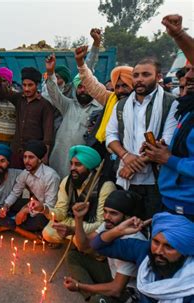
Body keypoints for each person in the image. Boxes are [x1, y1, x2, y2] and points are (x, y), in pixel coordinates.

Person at [106, 58, 178, 219]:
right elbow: (110, 135)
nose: (139, 79)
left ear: (158, 77)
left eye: (146, 74)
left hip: (156, 180)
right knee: (128, 227)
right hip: (127, 179)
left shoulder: (171, 103)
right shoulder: (122, 105)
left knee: (153, 224)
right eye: (136, 75)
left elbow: (167, 140)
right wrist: (126, 156)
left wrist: (131, 166)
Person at [89, 212, 194, 303]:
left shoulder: (190, 283)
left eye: (169, 247)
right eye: (156, 242)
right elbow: (97, 246)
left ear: (184, 251)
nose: (158, 251)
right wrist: (119, 230)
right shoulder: (144, 251)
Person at [144, 16, 194, 221]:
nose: (188, 76)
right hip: (171, 200)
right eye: (188, 70)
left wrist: (168, 159)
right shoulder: (188, 109)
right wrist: (160, 150)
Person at [63, 190, 146, 303]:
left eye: (113, 213)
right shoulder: (109, 225)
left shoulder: (133, 241)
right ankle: (95, 296)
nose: (107, 217)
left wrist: (79, 286)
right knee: (74, 256)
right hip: (112, 274)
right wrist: (78, 219)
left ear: (127, 217)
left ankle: (97, 299)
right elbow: (84, 246)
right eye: (105, 211)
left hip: (128, 290)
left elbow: (117, 289)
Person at [75, 44, 134, 181]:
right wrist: (80, 63)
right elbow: (91, 83)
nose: (120, 91)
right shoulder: (110, 98)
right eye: (117, 86)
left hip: (133, 158)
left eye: (125, 85)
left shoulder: (140, 105)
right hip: (109, 153)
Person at [42, 145, 116, 246]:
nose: (72, 168)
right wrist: (43, 208)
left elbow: (102, 224)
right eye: (71, 164)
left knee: (79, 239)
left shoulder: (105, 186)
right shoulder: (67, 181)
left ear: (89, 167)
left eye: (78, 164)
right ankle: (76, 244)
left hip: (89, 226)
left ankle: (82, 246)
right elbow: (61, 213)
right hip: (71, 221)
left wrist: (74, 230)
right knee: (47, 233)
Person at [0, 141, 60, 240]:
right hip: (33, 205)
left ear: (40, 159)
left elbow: (50, 206)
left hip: (47, 212)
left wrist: (25, 211)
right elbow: (15, 192)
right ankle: (17, 226)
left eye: (31, 157)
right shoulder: (25, 173)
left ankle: (4, 226)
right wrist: (5, 206)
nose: (26, 161)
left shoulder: (51, 176)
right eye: (25, 157)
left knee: (40, 220)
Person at [45, 54, 102, 177]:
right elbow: (54, 93)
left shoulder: (100, 109)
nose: (82, 90)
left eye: (86, 87)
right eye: (80, 87)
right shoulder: (68, 105)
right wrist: (50, 73)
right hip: (58, 159)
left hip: (81, 165)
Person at [0, 57, 54, 169]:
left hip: (34, 155)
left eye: (30, 85)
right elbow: (2, 92)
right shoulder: (19, 98)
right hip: (16, 152)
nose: (26, 88)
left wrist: (45, 156)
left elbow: (48, 134)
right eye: (24, 85)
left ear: (37, 85)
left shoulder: (45, 105)